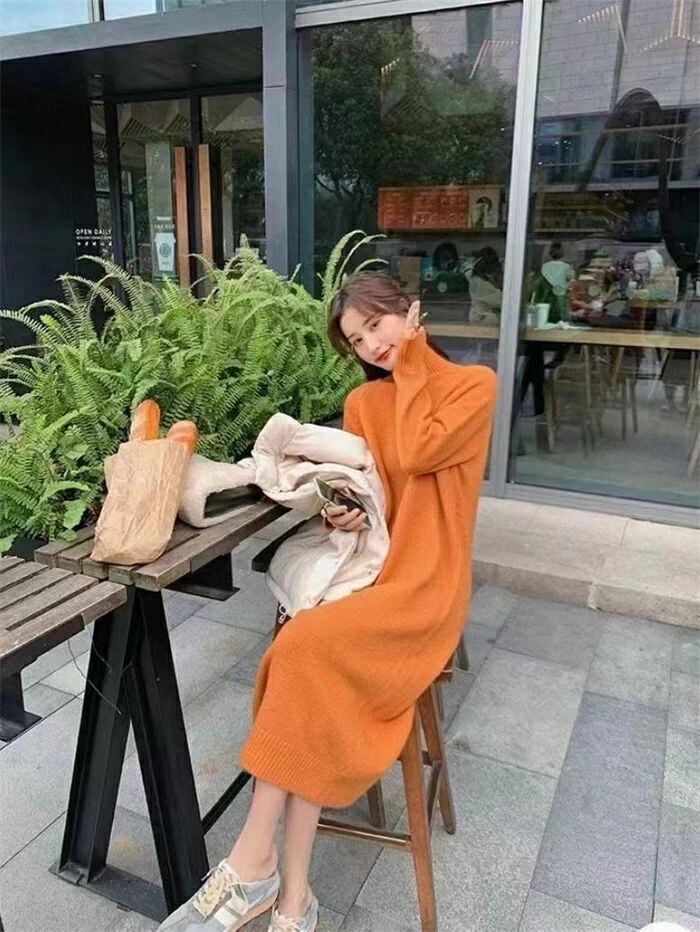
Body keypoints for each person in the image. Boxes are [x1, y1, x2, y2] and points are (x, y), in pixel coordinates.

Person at [158, 270, 497, 932]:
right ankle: (289, 895)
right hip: (374, 573)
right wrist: (345, 511)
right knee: (304, 662)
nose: (370, 345)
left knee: (303, 648)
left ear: (411, 311)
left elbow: (421, 449)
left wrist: (412, 358)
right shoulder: (364, 403)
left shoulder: (473, 387)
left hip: (428, 588)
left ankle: (254, 868)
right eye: (356, 340)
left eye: (376, 325)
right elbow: (377, 491)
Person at [466, 246, 503, 324]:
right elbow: (502, 301)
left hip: (477, 319)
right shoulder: (481, 284)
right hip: (484, 320)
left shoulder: (475, 280)